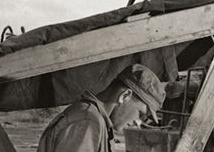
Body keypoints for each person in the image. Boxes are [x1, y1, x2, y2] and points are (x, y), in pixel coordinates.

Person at [37, 64, 166, 152]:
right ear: (125, 95)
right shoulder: (87, 122)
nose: (138, 122)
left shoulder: (96, 121)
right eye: (140, 114)